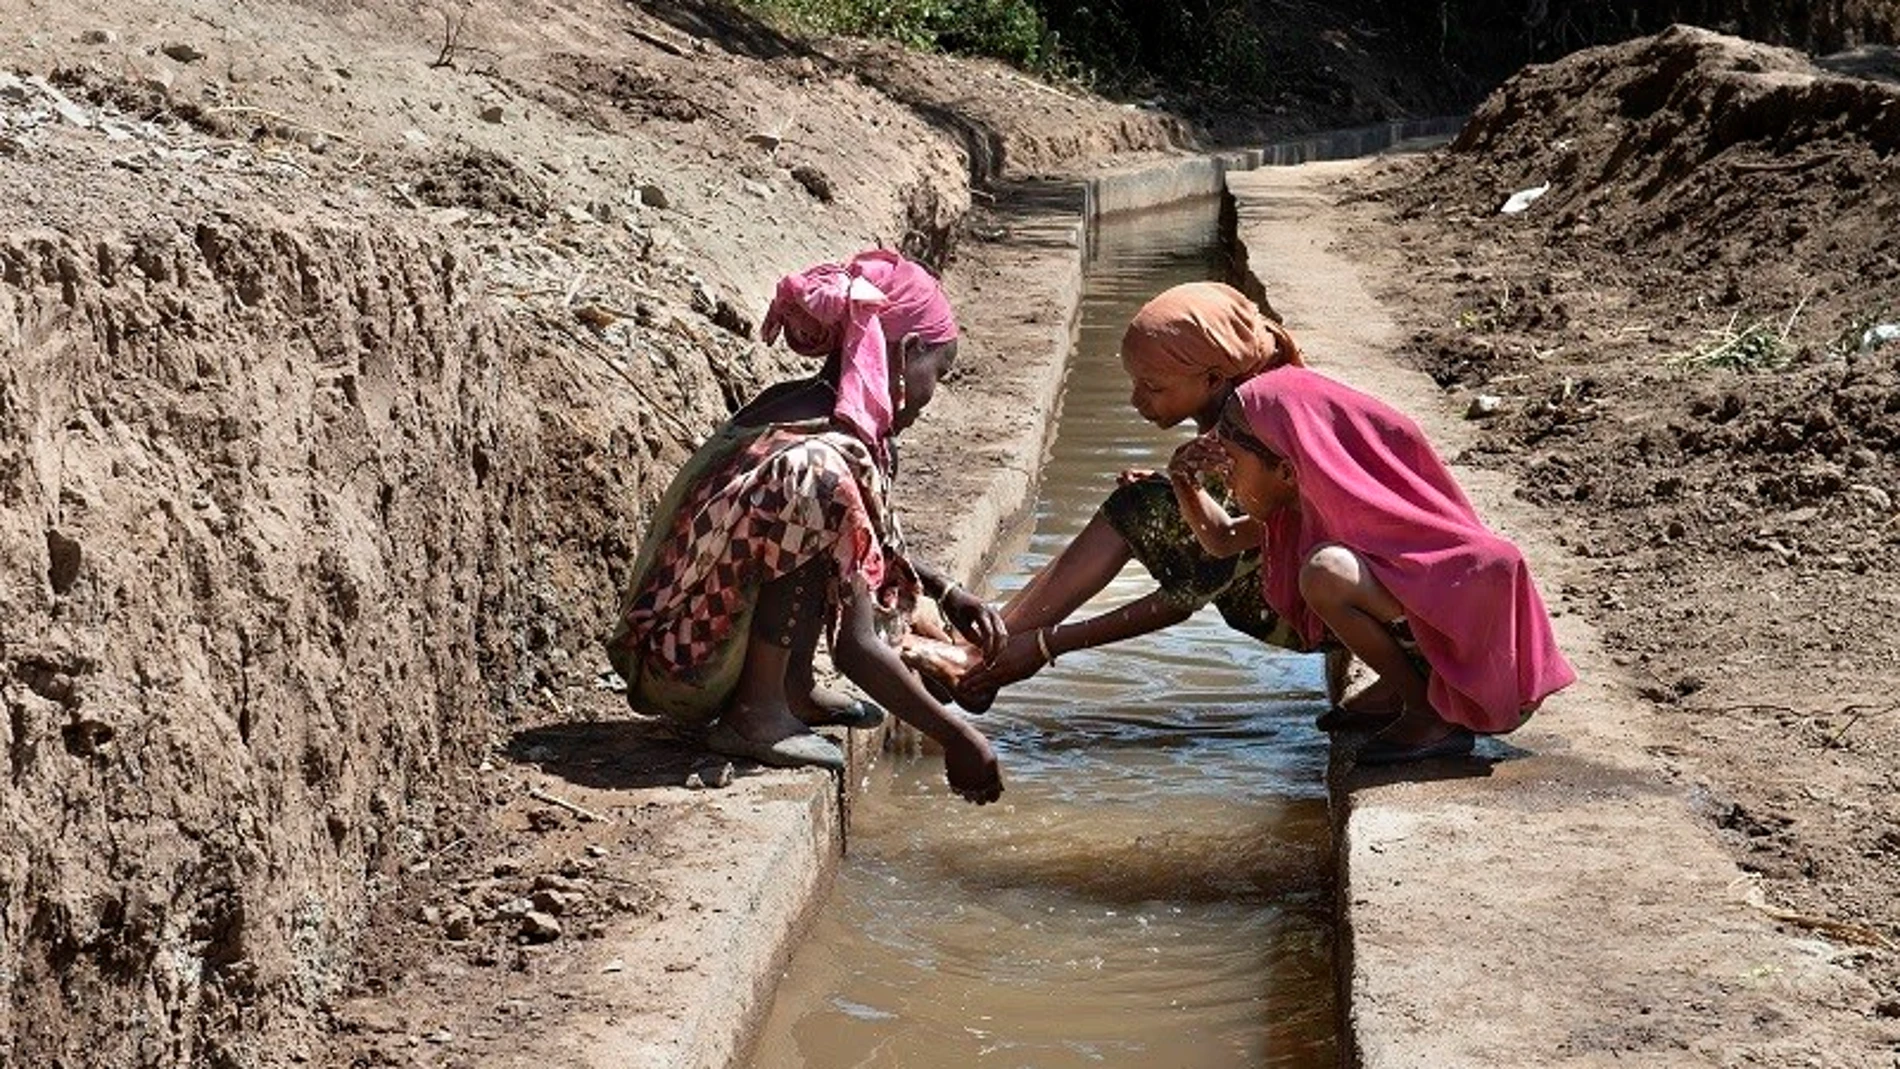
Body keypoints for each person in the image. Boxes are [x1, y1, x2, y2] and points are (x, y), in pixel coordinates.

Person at [604, 249, 1006, 803]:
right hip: (681, 662)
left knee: (823, 516)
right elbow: (856, 647)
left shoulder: (808, 407)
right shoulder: (824, 461)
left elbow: (864, 546)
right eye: (938, 373)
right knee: (819, 494)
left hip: (673, 644)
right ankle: (756, 714)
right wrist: (959, 738)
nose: (934, 392)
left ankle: (789, 688)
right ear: (908, 352)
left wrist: (945, 590)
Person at [943, 281, 1347, 708]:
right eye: (1135, 383)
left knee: (1138, 508)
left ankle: (985, 653)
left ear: (1212, 379)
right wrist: (1170, 483)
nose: (1137, 400)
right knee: (1142, 504)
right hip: (1305, 590)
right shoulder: (1240, 411)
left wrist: (1046, 646)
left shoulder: (1253, 439)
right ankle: (986, 644)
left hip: (1321, 615)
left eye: (1153, 388)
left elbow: (1187, 594)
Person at [1191, 365, 1577, 764]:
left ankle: (1429, 714)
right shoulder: (1309, 505)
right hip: (1444, 656)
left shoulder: (1365, 513)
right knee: (1330, 573)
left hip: (1487, 679)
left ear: (1287, 471)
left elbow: (1487, 569)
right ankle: (1403, 690)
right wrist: (1186, 482)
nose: (1228, 479)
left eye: (1231, 464)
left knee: (1326, 573)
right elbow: (1222, 540)